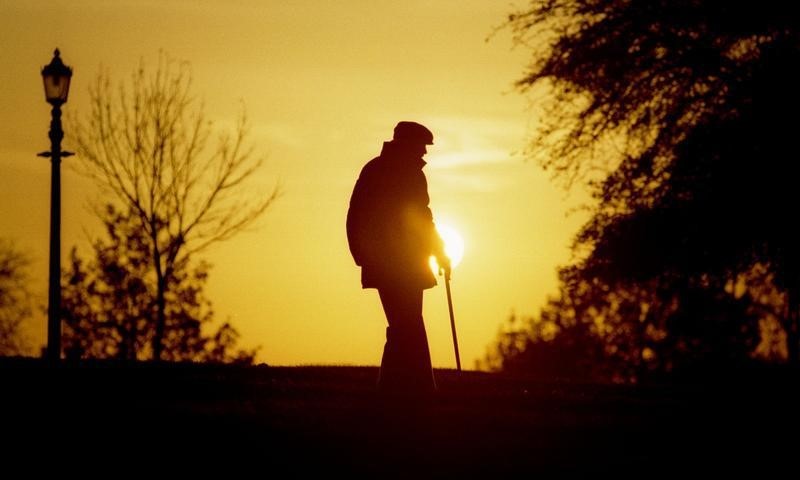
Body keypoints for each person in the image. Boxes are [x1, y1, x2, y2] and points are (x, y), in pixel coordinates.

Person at [347, 121, 450, 395]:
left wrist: (362, 255)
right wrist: (438, 251)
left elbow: (355, 214)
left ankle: (395, 387)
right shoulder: (404, 173)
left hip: (393, 260)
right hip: (399, 260)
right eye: (421, 147)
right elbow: (420, 218)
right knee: (408, 324)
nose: (424, 154)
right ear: (407, 144)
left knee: (403, 324)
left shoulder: (376, 169)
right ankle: (418, 387)